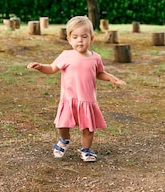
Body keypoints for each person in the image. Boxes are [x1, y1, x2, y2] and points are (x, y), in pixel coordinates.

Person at [27, 15, 126, 162]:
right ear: (69, 39)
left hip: (87, 100)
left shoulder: (95, 58)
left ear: (91, 38)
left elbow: (99, 73)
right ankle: (64, 139)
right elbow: (52, 68)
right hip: (69, 99)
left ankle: (86, 150)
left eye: (84, 36)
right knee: (62, 124)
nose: (80, 40)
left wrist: (112, 78)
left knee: (88, 129)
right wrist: (41, 67)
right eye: (75, 37)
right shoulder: (66, 56)